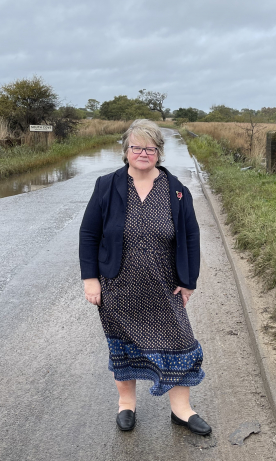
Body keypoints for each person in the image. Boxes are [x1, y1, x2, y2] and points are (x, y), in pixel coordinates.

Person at [79, 119, 211, 436]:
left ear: (159, 152)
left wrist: (189, 280)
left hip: (164, 286)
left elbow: (191, 238)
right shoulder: (106, 186)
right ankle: (126, 404)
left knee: (180, 342)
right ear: (126, 150)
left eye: (150, 148)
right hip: (119, 286)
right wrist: (90, 279)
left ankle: (182, 410)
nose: (143, 153)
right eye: (136, 147)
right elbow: (89, 234)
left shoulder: (176, 190)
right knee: (122, 346)